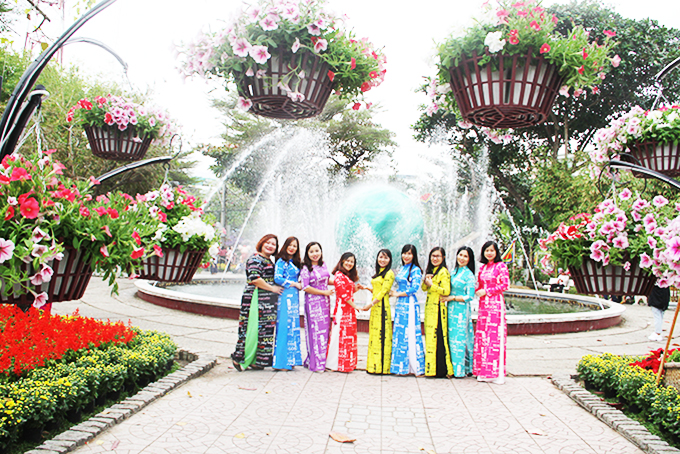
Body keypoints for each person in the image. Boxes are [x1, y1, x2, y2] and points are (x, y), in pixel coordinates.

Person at [231, 234, 282, 371]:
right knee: (251, 328)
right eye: (268, 243)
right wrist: (273, 289)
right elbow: (255, 278)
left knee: (264, 331)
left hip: (267, 302)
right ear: (261, 243)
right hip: (255, 299)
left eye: (273, 244)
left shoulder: (269, 260)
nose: (270, 246)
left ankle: (257, 361)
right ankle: (240, 358)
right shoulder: (255, 259)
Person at [474, 240, 510, 385]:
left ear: (496, 252)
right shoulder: (483, 268)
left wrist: (487, 291)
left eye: (492, 250)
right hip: (483, 305)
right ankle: (482, 370)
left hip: (495, 304)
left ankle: (494, 373)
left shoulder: (501, 266)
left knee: (493, 337)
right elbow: (479, 284)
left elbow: (505, 285)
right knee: (483, 335)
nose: (489, 253)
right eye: (486, 250)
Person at [440, 246, 476, 378]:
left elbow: (470, 296)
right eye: (460, 255)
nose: (461, 258)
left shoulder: (469, 275)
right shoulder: (454, 271)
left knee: (459, 339)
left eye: (465, 256)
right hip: (450, 309)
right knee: (450, 337)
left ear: (469, 259)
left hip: (461, 311)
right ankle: (451, 367)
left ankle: (460, 370)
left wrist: (453, 298)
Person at [390, 244, 425, 376]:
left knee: (409, 332)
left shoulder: (415, 270)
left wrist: (398, 294)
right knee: (400, 333)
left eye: (409, 254)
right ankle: (400, 366)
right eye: (404, 253)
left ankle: (413, 365)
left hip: (409, 303)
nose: (406, 256)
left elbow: (414, 288)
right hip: (400, 304)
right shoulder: (403, 268)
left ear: (414, 255)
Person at [299, 242, 334, 372]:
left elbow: (326, 280)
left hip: (325, 303)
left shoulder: (323, 265)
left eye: (317, 251)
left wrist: (344, 283)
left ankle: (322, 360)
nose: (315, 254)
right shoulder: (305, 268)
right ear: (307, 254)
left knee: (324, 332)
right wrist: (323, 292)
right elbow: (305, 287)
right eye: (311, 252)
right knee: (315, 332)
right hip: (313, 303)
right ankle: (316, 363)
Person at [326, 252, 361, 373]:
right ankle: (333, 363)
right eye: (347, 261)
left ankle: (345, 363)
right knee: (339, 334)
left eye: (352, 262)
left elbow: (349, 294)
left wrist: (356, 289)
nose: (349, 263)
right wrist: (356, 306)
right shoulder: (339, 275)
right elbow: (343, 295)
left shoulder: (346, 276)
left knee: (347, 336)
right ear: (342, 261)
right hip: (342, 310)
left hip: (348, 310)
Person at [272, 236, 303, 370]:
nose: (292, 248)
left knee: (293, 327)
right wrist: (293, 283)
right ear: (285, 246)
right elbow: (277, 278)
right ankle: (281, 362)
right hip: (285, 296)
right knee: (284, 326)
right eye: (290, 245)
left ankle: (291, 360)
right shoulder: (281, 261)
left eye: (295, 246)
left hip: (294, 297)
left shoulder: (294, 262)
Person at [363, 249, 395, 375]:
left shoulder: (389, 274)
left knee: (382, 335)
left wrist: (370, 304)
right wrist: (367, 288)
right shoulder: (380, 272)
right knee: (375, 335)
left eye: (386, 258)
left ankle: (382, 367)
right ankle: (373, 366)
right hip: (376, 307)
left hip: (381, 307)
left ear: (390, 260)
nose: (382, 260)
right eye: (381, 257)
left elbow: (383, 292)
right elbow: (378, 290)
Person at [422, 247, 452, 378]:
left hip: (439, 308)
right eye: (433, 256)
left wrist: (431, 285)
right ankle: (431, 368)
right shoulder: (432, 271)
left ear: (443, 258)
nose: (435, 258)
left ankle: (441, 369)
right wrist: (426, 281)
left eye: (438, 256)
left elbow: (446, 291)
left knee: (438, 337)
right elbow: (424, 289)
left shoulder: (443, 272)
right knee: (430, 338)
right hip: (430, 308)